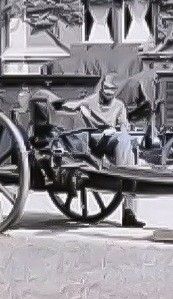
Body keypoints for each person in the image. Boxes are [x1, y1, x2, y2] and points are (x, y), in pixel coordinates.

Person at [67, 73, 146, 228]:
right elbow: (74, 105)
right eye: (105, 90)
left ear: (115, 92)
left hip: (111, 139)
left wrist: (117, 131)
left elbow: (123, 126)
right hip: (93, 141)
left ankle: (128, 201)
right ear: (102, 88)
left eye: (111, 91)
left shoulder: (119, 105)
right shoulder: (92, 101)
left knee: (126, 143)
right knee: (124, 145)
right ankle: (125, 173)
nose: (107, 94)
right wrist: (72, 106)